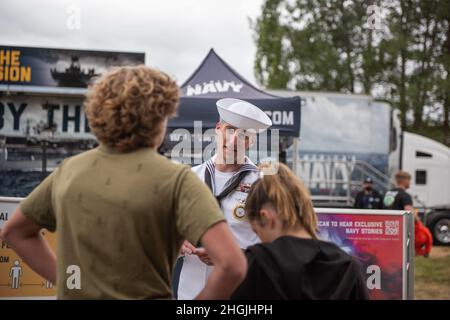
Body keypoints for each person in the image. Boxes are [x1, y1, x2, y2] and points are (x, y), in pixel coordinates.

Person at [0, 66, 247, 299]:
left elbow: (14, 232)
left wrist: (68, 282)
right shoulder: (177, 180)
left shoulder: (69, 171)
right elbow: (232, 264)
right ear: (159, 120)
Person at [176, 98, 272, 300]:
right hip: (190, 292)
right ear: (218, 129)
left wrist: (233, 256)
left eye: (245, 135)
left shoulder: (263, 184)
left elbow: (274, 247)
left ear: (252, 141)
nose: (234, 140)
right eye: (230, 130)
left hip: (240, 293)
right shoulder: (188, 178)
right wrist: (174, 242)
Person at [231, 162, 369, 300]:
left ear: (266, 217)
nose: (260, 240)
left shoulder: (259, 263)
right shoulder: (348, 267)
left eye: (257, 232)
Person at [384, 170, 432, 257]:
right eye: (409, 180)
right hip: (399, 230)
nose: (410, 183)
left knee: (389, 254)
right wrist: (418, 221)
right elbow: (409, 213)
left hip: (387, 229)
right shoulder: (404, 195)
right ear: (404, 180)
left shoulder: (388, 193)